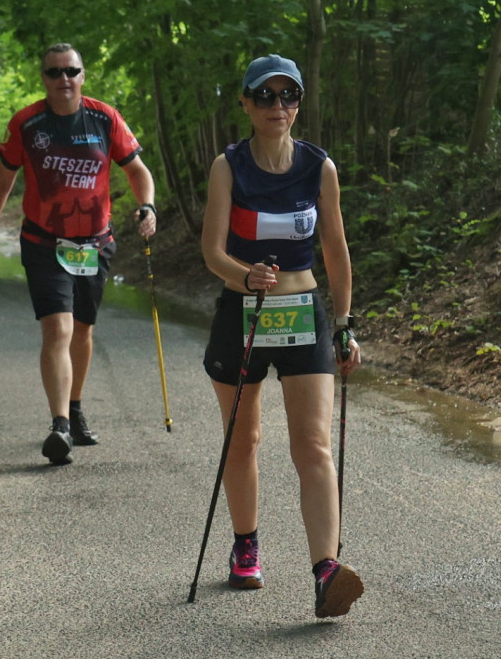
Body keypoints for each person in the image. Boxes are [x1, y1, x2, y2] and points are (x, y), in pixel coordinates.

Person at [200, 54, 364, 618]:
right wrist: (241, 275)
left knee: (313, 445)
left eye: (287, 95)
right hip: (242, 310)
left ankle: (326, 571)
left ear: (299, 101)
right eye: (264, 96)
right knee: (242, 441)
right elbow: (211, 251)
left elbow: (336, 252)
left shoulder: (320, 168)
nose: (278, 106)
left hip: (302, 313)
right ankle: (246, 545)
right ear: (245, 103)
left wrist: (344, 325)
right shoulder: (229, 166)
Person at [0, 42, 157, 466]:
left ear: (82, 75)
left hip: (95, 244)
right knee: (58, 330)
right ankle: (60, 427)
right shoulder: (28, 123)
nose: (63, 79)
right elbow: (2, 182)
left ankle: (75, 406)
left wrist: (147, 205)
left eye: (70, 71)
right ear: (43, 79)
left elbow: (137, 170)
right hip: (44, 243)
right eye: (53, 73)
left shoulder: (105, 118)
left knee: (83, 332)